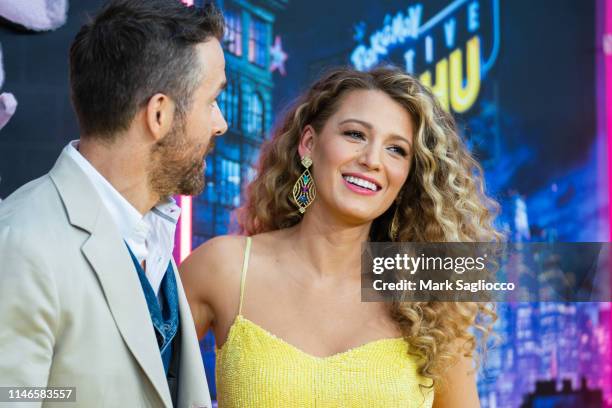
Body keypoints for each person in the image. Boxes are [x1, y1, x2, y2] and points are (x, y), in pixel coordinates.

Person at [180, 66, 500, 407]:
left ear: (408, 176)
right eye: (355, 134)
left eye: (397, 150)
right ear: (308, 144)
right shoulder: (223, 268)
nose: (372, 159)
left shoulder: (431, 294)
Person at [0, 1, 227, 407]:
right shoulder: (19, 244)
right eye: (212, 101)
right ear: (159, 114)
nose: (220, 123)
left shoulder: (152, 237)